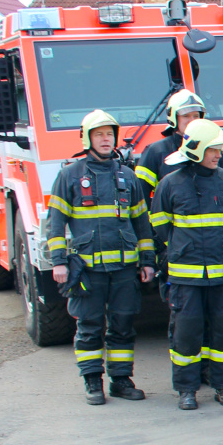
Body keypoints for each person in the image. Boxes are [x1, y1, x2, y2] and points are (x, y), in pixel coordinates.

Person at [45, 109, 156, 405]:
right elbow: (55, 222)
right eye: (99, 134)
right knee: (89, 324)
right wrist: (58, 261)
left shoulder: (128, 177)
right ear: (87, 138)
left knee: (122, 324)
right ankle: (92, 379)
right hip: (87, 270)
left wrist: (147, 261)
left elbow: (141, 223)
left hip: (123, 269)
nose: (106, 140)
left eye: (109, 134)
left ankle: (120, 379)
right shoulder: (69, 175)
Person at [149, 119, 223, 411]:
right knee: (186, 333)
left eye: (219, 149)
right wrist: (182, 248)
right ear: (196, 149)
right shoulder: (169, 184)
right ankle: (187, 389)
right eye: (213, 149)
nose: (218, 155)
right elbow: (160, 225)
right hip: (186, 277)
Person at [135, 90, 209, 191]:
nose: (192, 120)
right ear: (173, 118)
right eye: (185, 116)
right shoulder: (156, 151)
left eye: (196, 116)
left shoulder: (211, 148)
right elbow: (141, 194)